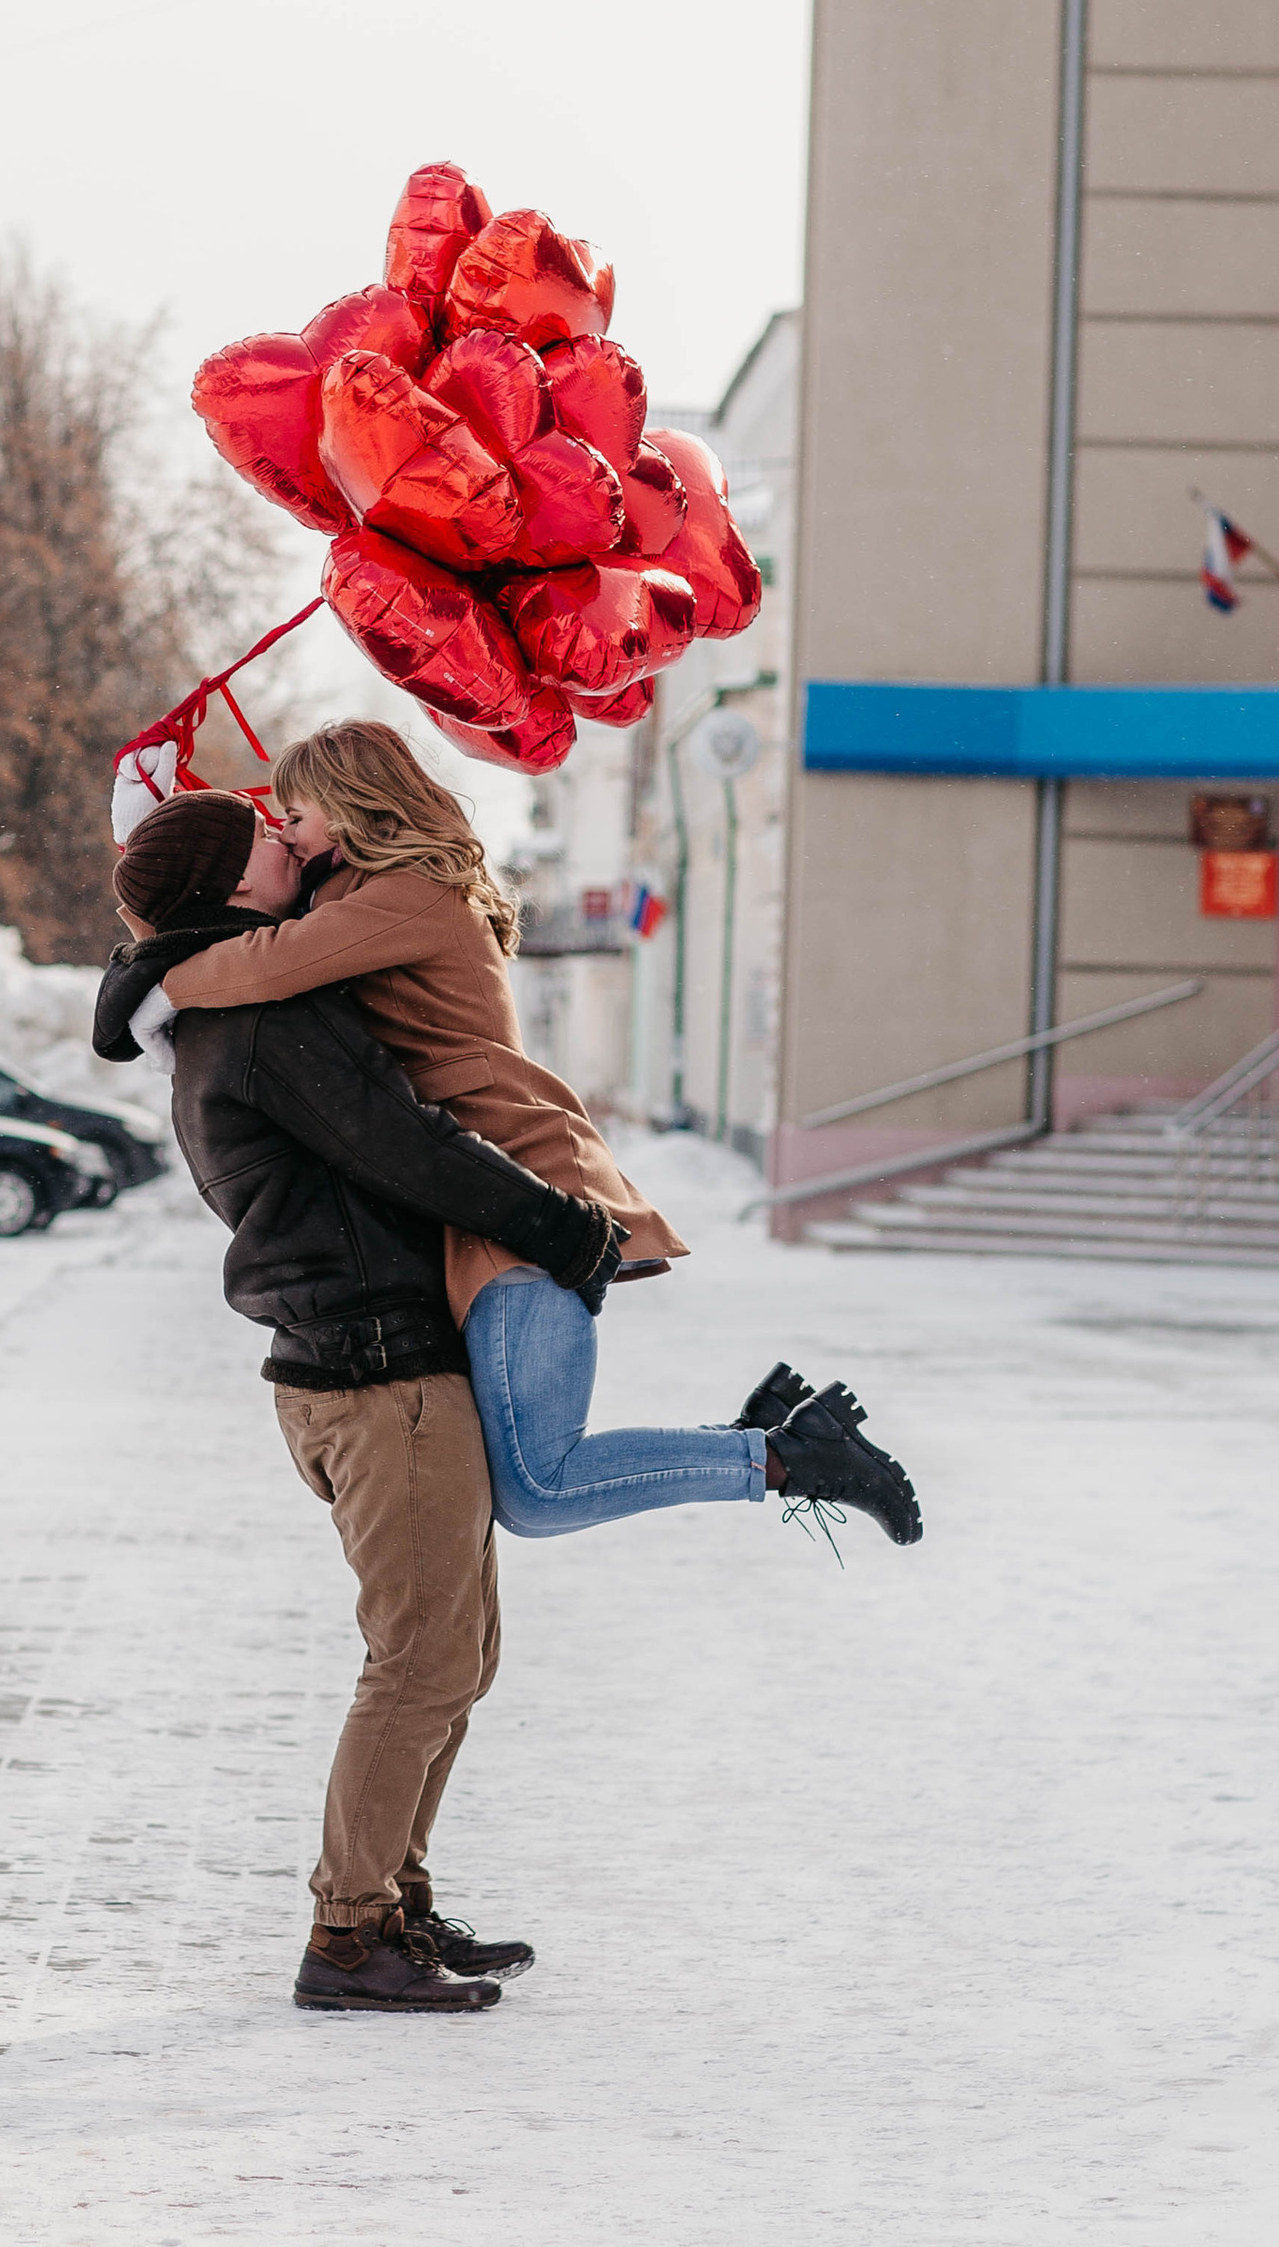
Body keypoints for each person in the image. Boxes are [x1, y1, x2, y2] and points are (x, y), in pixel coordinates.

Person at [95, 788, 625, 2017]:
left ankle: (394, 1902)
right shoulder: (262, 1018)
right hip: (378, 1372)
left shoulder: (229, 1006)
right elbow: (405, 1143)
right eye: (262, 835)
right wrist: (562, 1227)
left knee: (457, 1656)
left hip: (363, 1365)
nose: (286, 836)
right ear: (232, 883)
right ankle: (346, 1936)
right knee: (420, 1661)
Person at [156, 719, 923, 1549]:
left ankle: (790, 1457)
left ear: (347, 808)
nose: (285, 835)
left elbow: (263, 960)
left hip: (526, 1187)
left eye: (295, 816)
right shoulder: (358, 894)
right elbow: (231, 910)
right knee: (526, 1478)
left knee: (538, 1489)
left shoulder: (405, 894)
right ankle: (768, 1438)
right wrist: (156, 845)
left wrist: (153, 984)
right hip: (485, 1193)